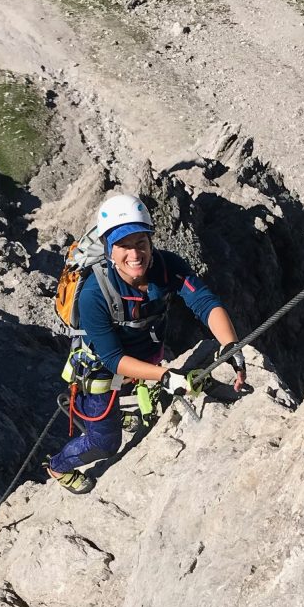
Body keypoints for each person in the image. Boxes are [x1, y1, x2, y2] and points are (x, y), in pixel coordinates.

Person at [47, 192, 245, 492]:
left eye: (141, 243)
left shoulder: (167, 267)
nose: (135, 254)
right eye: (123, 246)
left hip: (145, 357)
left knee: (137, 398)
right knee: (105, 442)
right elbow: (113, 358)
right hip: (101, 371)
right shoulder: (94, 294)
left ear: (151, 242)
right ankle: (58, 467)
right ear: (109, 251)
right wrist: (166, 376)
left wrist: (230, 344)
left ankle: (121, 414)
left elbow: (204, 302)